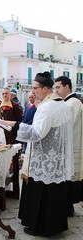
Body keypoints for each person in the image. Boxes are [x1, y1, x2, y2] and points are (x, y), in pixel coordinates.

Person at [0, 71, 74, 237]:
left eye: (35, 88)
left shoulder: (47, 107)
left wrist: (14, 124)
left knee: (42, 195)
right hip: (56, 159)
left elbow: (36, 133)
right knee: (54, 194)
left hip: (44, 160)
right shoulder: (61, 104)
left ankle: (40, 226)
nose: (32, 92)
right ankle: (55, 226)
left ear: (46, 89)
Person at [55, 75, 83, 216]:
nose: (56, 90)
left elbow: (65, 126)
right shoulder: (72, 102)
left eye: (58, 87)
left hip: (70, 147)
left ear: (67, 87)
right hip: (72, 146)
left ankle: (67, 207)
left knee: (68, 179)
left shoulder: (71, 103)